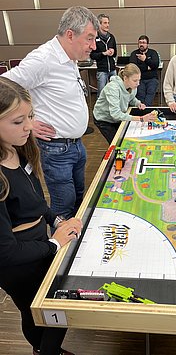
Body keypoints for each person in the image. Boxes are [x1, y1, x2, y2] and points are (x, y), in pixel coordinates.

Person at [0, 77, 83, 355]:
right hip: (17, 263)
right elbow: (6, 253)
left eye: (31, 116)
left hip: (37, 244)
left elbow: (35, 200)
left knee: (45, 308)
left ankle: (43, 349)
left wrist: (56, 220)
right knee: (48, 308)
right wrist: (54, 244)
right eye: (17, 121)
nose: (28, 126)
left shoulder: (19, 148)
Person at [2, 6, 99, 219]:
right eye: (89, 39)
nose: (93, 46)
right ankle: (60, 250)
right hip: (56, 150)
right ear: (70, 34)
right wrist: (29, 122)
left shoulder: (70, 57)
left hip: (76, 145)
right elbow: (5, 87)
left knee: (79, 199)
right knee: (64, 206)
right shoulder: (43, 59)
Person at [93, 63, 157, 144]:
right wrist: (141, 119)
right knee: (116, 143)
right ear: (125, 78)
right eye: (135, 80)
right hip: (104, 119)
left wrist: (138, 103)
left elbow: (131, 98)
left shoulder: (132, 86)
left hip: (117, 117)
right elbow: (115, 114)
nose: (138, 83)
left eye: (139, 80)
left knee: (124, 140)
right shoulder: (113, 88)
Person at [90, 13, 117, 98]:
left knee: (115, 91)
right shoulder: (95, 38)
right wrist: (103, 53)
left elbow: (115, 53)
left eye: (108, 23)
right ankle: (100, 111)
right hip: (102, 70)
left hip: (112, 69)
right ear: (99, 24)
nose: (107, 25)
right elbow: (92, 55)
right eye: (105, 23)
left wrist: (113, 52)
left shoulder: (111, 37)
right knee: (101, 94)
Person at [129, 35, 160, 106]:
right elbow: (133, 67)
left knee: (150, 95)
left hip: (152, 79)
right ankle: (143, 111)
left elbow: (155, 65)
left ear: (147, 44)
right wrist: (148, 67)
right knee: (140, 96)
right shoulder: (134, 54)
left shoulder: (153, 53)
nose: (141, 44)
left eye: (143, 42)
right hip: (139, 80)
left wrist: (145, 60)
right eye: (140, 42)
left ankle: (147, 110)